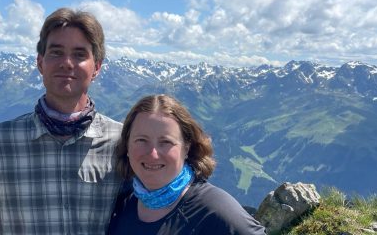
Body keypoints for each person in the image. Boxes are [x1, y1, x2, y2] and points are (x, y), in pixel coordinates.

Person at [0, 8, 123, 235]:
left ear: (96, 68)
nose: (67, 63)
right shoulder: (1, 143)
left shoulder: (122, 142)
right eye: (56, 52)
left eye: (79, 54)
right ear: (40, 63)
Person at [107, 94, 265, 235]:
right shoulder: (123, 203)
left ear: (187, 148)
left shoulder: (215, 211)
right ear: (127, 145)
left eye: (166, 142)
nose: (153, 154)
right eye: (141, 140)